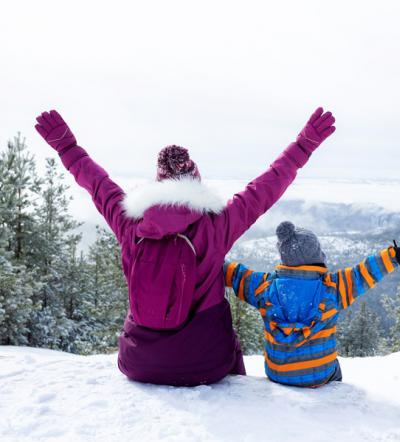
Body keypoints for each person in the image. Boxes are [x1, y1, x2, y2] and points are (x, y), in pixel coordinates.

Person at [34, 107, 336, 386]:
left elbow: (98, 184)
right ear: (195, 181)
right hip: (206, 363)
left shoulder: (130, 223)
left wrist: (67, 147)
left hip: (139, 361)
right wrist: (304, 145)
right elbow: (264, 188)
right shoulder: (215, 225)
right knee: (224, 329)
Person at [224, 221, 400, 388]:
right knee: (333, 367)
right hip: (320, 376)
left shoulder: (263, 287)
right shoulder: (333, 288)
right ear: (316, 257)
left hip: (277, 373)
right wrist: (399, 255)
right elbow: (366, 272)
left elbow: (234, 274)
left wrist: (202, 257)